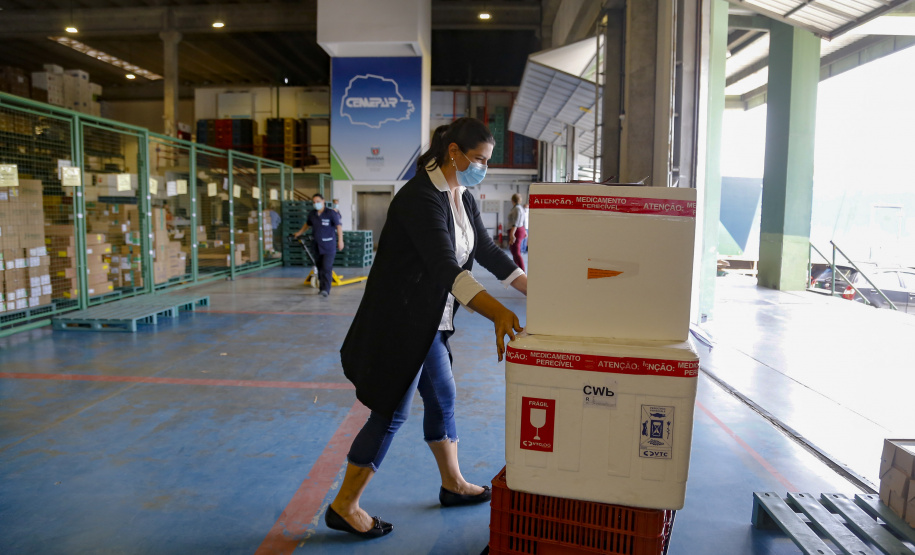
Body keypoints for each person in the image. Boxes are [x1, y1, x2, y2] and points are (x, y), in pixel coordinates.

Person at [326, 117, 527, 539]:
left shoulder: (462, 195)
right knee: (391, 412)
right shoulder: (419, 198)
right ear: (453, 152)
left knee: (443, 396)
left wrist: (532, 288)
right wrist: (496, 311)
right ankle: (345, 505)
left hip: (431, 320)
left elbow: (486, 250)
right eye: (479, 160)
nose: (483, 170)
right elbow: (444, 267)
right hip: (400, 321)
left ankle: (452, 484)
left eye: (488, 162)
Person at [292, 194, 343, 297]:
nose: (316, 204)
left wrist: (340, 240)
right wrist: (299, 233)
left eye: (318, 201)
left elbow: (338, 226)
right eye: (314, 202)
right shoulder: (312, 214)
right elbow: (307, 224)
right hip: (317, 246)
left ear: (323, 201)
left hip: (329, 246)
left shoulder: (330, 213)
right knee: (320, 267)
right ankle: (321, 288)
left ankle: (326, 290)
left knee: (326, 267)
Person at [507, 193, 527, 272]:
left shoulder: (517, 209)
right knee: (514, 252)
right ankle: (517, 270)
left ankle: (522, 271)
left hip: (516, 231)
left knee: (516, 252)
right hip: (518, 230)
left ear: (512, 200)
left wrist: (512, 234)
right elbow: (523, 221)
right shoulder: (518, 208)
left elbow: (516, 221)